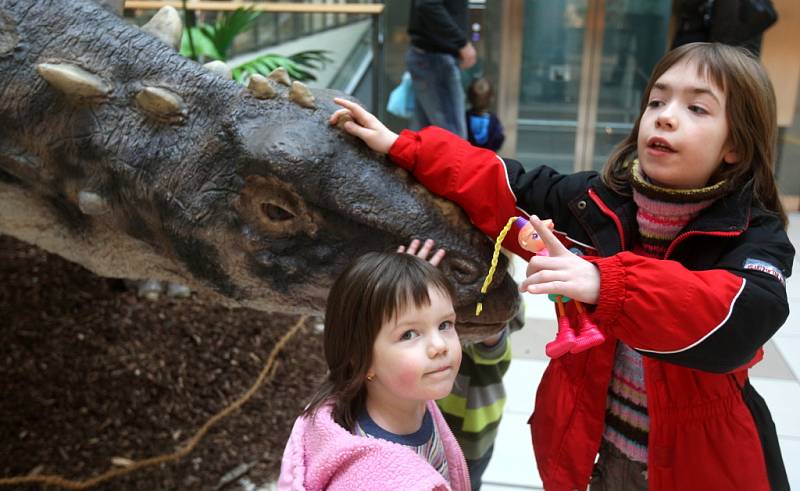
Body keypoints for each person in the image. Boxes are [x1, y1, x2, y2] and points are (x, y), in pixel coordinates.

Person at [330, 42, 793, 491]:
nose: (666, 115)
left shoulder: (754, 232)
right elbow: (501, 183)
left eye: (697, 109)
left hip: (699, 464)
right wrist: (402, 146)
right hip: (595, 449)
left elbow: (744, 314)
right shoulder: (592, 202)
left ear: (735, 145)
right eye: (657, 100)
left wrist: (607, 282)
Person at [277, 252, 470, 490]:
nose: (440, 346)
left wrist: (402, 280)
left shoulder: (408, 395)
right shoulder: (370, 480)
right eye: (408, 334)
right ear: (360, 359)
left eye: (444, 325)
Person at [400, 239, 519, 491]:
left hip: (469, 440)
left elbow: (492, 346)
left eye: (445, 324)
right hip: (420, 433)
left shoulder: (484, 317)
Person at [406, 0, 477, 138]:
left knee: (422, 139)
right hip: (434, 58)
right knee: (453, 140)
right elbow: (428, 4)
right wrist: (461, 43)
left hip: (431, 56)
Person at [465, 78, 506, 152]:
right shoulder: (494, 120)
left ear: (469, 97)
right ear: (491, 99)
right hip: (489, 159)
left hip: (469, 158)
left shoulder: (464, 118)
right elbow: (499, 138)